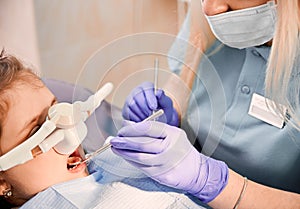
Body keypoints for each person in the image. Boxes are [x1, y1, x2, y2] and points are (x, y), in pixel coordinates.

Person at [115, 0, 300, 208]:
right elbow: (182, 79)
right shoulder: (212, 17)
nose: (209, 9)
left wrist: (215, 183)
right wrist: (168, 109)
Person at [0, 50, 207, 209]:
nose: (69, 129)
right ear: (2, 182)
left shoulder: (103, 159)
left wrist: (162, 131)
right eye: (38, 130)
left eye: (56, 110)